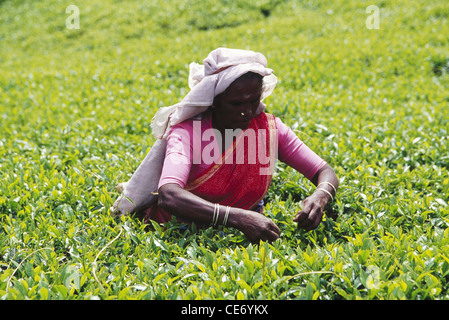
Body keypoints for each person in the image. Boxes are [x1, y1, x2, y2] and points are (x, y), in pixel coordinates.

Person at [113, 48, 338, 243]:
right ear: (213, 101)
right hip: (178, 233)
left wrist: (321, 195)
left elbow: (324, 171)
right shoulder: (187, 133)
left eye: (253, 101)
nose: (247, 111)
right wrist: (238, 218)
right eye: (236, 103)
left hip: (241, 236)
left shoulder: (268, 129)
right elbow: (169, 195)